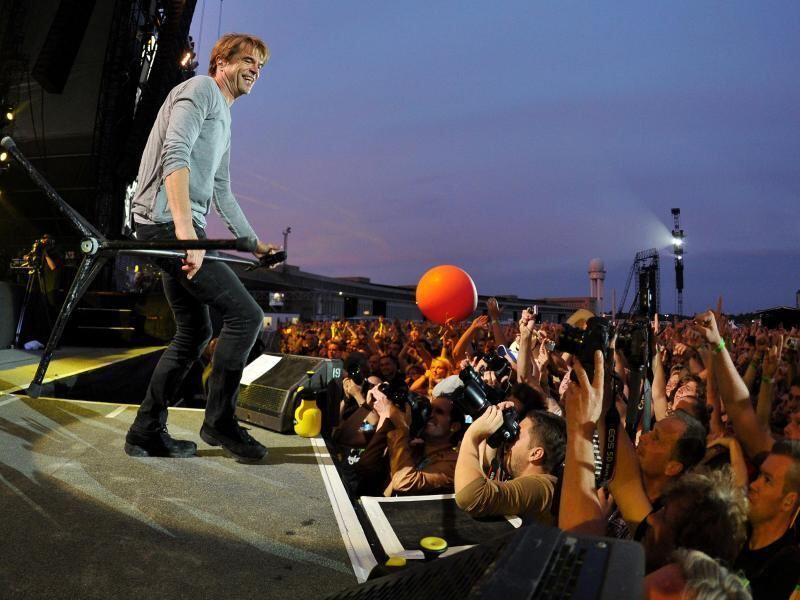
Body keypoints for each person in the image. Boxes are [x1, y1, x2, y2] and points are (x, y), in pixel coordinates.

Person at [124, 33, 278, 461]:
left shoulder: (224, 116)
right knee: (247, 315)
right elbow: (174, 154)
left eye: (260, 65)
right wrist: (186, 235)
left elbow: (222, 190)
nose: (255, 70)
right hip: (164, 223)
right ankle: (220, 422)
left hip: (177, 226)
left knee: (195, 332)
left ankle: (145, 432)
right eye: (247, 61)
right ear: (221, 62)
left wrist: (254, 244)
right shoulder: (201, 90)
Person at [454, 392, 566, 525]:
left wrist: (471, 436)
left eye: (517, 435)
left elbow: (471, 496)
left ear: (535, 454)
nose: (509, 441)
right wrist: (494, 429)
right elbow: (482, 467)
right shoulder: (525, 478)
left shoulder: (544, 487)